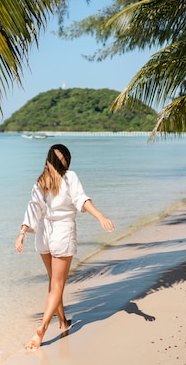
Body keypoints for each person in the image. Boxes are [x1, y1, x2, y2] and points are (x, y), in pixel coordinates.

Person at [15, 144, 115, 349]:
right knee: (58, 285)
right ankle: (42, 329)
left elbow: (33, 209)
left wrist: (22, 233)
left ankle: (62, 322)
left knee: (53, 282)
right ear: (65, 160)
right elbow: (82, 200)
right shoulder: (70, 177)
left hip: (44, 235)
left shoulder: (41, 182)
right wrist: (101, 216)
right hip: (61, 233)